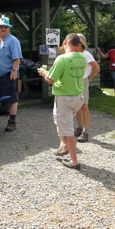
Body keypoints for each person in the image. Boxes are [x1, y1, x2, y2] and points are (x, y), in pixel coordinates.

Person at [38, 33, 86, 170]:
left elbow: (51, 80)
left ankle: (74, 162)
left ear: (65, 42)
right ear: (78, 44)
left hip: (65, 98)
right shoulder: (82, 56)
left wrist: (44, 73)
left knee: (68, 129)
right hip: (78, 97)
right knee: (64, 123)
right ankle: (63, 146)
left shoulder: (62, 59)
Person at [0, 15, 22, 132]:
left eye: (5, 27)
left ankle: (12, 121)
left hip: (7, 75)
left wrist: (14, 70)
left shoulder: (13, 41)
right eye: (1, 27)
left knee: (11, 99)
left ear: (9, 28)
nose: (3, 29)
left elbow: (17, 58)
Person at [73, 34, 100, 142]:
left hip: (83, 81)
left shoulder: (86, 54)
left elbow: (96, 68)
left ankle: (85, 131)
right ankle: (79, 127)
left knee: (84, 107)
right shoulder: (75, 54)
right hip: (75, 81)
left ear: (80, 44)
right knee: (77, 107)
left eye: (75, 41)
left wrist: (89, 78)